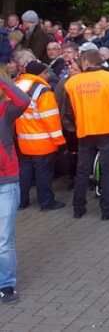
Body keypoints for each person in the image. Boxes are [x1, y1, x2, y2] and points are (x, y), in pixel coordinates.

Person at [63, 50, 109, 220]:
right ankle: (106, 210)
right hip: (107, 130)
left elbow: (68, 111)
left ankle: (78, 208)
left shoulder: (72, 82)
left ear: (85, 62)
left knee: (82, 170)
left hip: (85, 130)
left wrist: (80, 122)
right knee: (107, 170)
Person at [14, 61, 66, 211]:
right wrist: (60, 141)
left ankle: (21, 201)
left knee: (24, 173)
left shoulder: (17, 86)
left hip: (23, 140)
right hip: (42, 142)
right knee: (43, 173)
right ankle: (46, 203)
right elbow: (51, 119)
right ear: (40, 73)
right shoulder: (43, 91)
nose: (48, 74)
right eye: (46, 72)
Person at [0, 75, 31, 305]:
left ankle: (6, 285)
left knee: (3, 240)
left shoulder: (4, 112)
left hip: (5, 184)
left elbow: (22, 100)